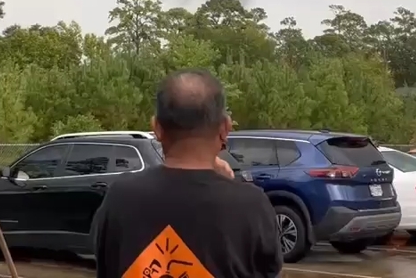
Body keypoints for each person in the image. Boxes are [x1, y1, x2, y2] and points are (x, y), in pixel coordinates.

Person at [92, 69, 281, 278]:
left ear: (157, 128)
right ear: (225, 128)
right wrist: (230, 189)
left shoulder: (119, 198)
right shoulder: (252, 206)